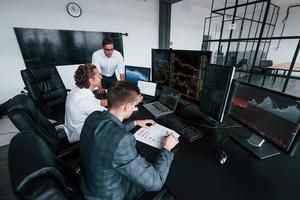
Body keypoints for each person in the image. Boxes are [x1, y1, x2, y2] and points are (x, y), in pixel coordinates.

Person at [80, 81, 179, 200]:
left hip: (89, 185)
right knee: (167, 184)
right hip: (108, 195)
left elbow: (108, 130)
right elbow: (155, 182)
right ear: (127, 106)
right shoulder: (123, 141)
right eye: (133, 105)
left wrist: (135, 123)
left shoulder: (94, 116)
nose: (133, 108)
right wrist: (167, 148)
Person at [64, 64, 108, 143]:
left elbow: (98, 103)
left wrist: (116, 100)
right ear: (91, 80)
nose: (101, 77)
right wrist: (127, 104)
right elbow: (111, 116)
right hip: (81, 136)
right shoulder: (85, 100)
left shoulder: (76, 90)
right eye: (99, 75)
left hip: (71, 130)